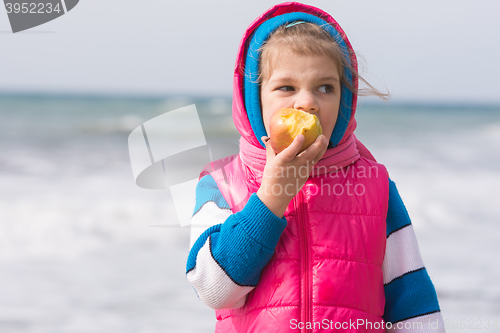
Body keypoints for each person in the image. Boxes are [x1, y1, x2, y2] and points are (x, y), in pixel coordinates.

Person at [186, 2, 445, 332]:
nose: (307, 102)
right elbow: (214, 289)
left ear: (344, 100)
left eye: (325, 87)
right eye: (286, 88)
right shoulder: (221, 183)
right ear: (255, 99)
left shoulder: (373, 185)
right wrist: (272, 198)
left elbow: (413, 303)